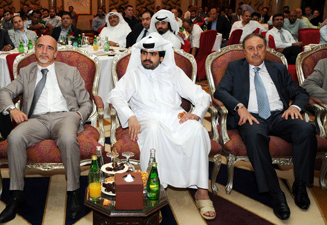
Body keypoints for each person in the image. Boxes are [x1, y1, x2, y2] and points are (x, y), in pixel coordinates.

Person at [107, 32, 215, 220]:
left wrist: (196, 114)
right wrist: (130, 116)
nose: (147, 58)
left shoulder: (174, 73)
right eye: (144, 53)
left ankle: (202, 191)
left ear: (162, 56)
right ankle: (153, 192)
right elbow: (115, 96)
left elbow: (202, 96)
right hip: (146, 118)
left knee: (197, 130)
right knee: (155, 130)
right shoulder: (133, 75)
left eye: (153, 54)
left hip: (174, 117)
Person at [214, 33, 317, 220]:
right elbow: (220, 91)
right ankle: (276, 192)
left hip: (279, 115)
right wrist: (239, 107)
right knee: (254, 137)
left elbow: (300, 92)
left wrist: (295, 106)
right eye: (251, 48)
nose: (256, 52)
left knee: (306, 129)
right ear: (244, 51)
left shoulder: (278, 68)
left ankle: (300, 185)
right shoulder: (234, 68)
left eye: (259, 47)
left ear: (266, 49)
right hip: (251, 116)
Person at [0, 35, 93, 223]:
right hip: (36, 120)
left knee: (67, 138)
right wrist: (13, 109)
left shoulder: (70, 71)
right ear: (35, 50)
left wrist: (78, 116)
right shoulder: (26, 72)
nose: (44, 51)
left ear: (55, 53)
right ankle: (16, 196)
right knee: (15, 137)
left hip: (65, 116)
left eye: (49, 48)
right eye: (41, 47)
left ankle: (73, 192)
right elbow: (4, 92)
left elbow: (86, 102)